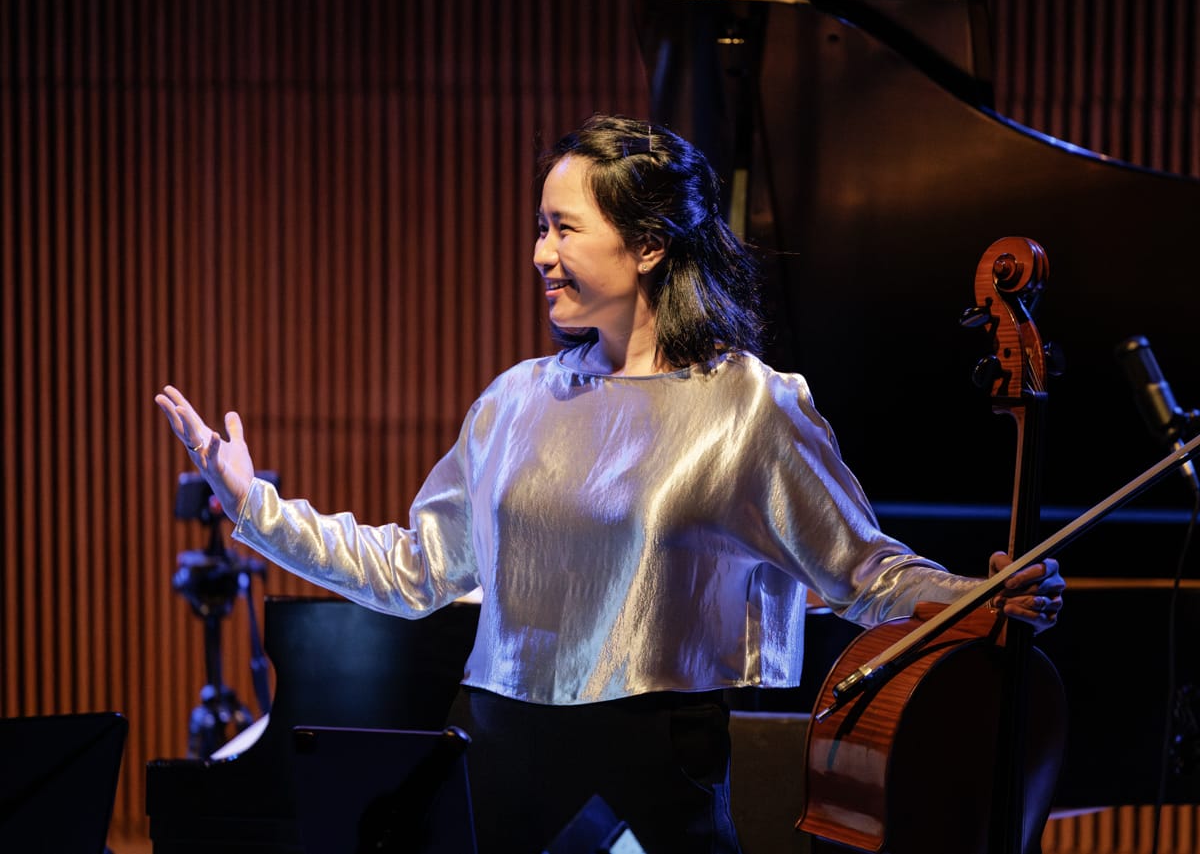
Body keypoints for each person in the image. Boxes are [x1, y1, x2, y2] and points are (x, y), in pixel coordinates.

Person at [155, 114, 1064, 854]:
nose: (539, 252)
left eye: (563, 228)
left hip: (653, 767)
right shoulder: (513, 400)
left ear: (648, 244)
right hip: (497, 754)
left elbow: (864, 572)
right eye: (539, 227)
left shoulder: (746, 405)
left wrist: (975, 597)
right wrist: (252, 504)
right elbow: (413, 570)